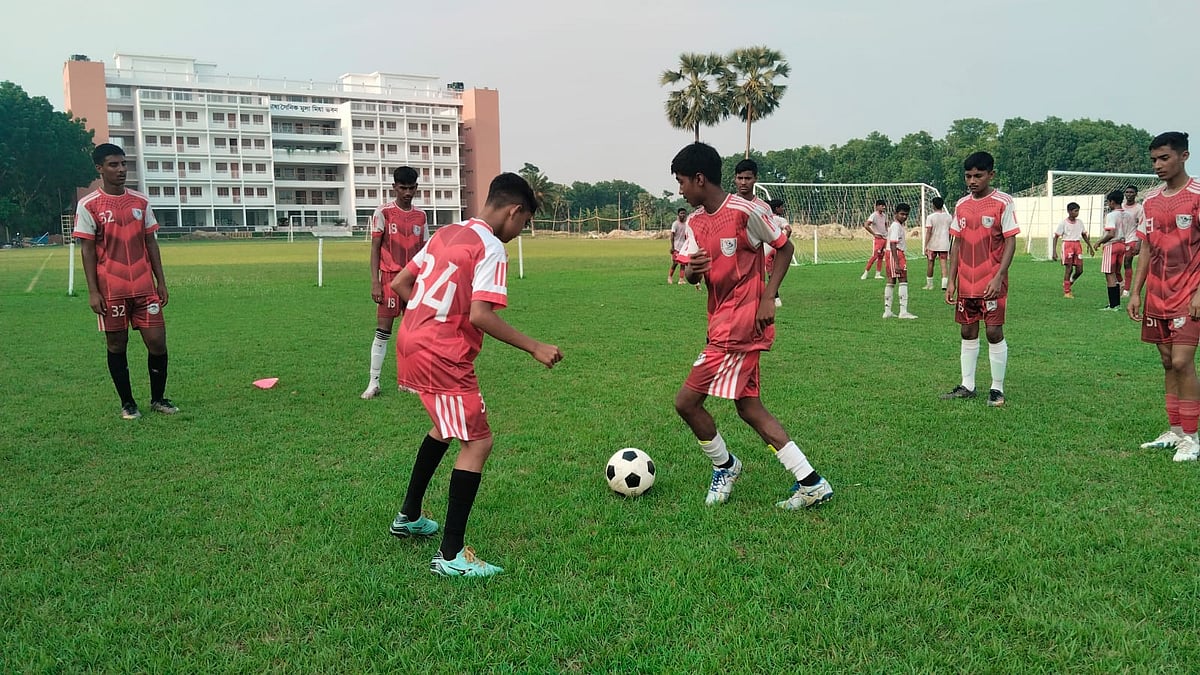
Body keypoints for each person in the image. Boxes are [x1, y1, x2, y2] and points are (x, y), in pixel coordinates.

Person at [387, 172, 563, 577]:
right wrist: (535, 346)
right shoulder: (490, 247)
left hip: (411, 342)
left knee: (444, 428)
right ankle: (451, 556)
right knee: (478, 443)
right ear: (514, 211)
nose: (519, 233)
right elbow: (481, 315)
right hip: (442, 354)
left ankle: (409, 516)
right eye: (524, 223)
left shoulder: (447, 232)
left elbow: (400, 283)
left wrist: (431, 316)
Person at [671, 142, 833, 510]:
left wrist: (768, 296)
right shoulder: (695, 222)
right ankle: (811, 482)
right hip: (720, 325)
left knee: (686, 402)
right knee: (749, 408)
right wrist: (692, 271)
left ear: (700, 178)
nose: (681, 190)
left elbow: (785, 248)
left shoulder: (746, 212)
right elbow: (692, 274)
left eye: (682, 182)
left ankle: (725, 466)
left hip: (740, 329)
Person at [74, 143, 177, 420]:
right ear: (100, 168)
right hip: (111, 290)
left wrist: (161, 281)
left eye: (123, 164)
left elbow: (151, 243)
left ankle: (158, 399)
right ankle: (128, 403)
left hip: (144, 288)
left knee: (157, 343)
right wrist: (93, 291)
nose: (121, 170)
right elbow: (87, 251)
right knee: (117, 345)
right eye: (113, 165)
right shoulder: (89, 205)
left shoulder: (140, 202)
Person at [1127, 131, 1200, 461]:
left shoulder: (1197, 196)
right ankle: (1175, 430)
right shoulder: (1151, 202)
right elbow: (1145, 248)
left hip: (1188, 293)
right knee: (1168, 362)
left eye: (1164, 158)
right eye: (1154, 159)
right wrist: (1135, 292)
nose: (1158, 165)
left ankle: (1192, 438)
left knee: (1183, 362)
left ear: (1184, 156)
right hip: (1157, 295)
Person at [940, 151, 1019, 408]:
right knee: (967, 330)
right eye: (968, 176)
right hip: (966, 283)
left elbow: (1010, 241)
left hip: (992, 282)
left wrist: (999, 276)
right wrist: (951, 280)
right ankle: (968, 385)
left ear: (991, 175)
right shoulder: (961, 205)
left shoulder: (1003, 202)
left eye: (978, 176)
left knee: (994, 332)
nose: (972, 181)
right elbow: (956, 243)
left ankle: (997, 388)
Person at [361, 167, 428, 400]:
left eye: (411, 188)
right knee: (383, 331)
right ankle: (373, 382)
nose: (407, 193)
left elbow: (426, 250)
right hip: (389, 278)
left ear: (416, 188)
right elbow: (375, 249)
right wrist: (375, 282)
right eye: (402, 188)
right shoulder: (383, 213)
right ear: (394, 187)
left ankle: (407, 382)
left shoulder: (421, 216)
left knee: (413, 333)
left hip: (414, 281)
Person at [882, 203, 917, 319]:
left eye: (906, 215)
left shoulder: (898, 226)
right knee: (903, 280)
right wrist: (897, 263)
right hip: (895, 253)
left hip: (893, 254)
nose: (904, 217)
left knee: (891, 281)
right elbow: (893, 243)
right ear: (895, 214)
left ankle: (888, 311)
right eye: (902, 214)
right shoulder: (896, 226)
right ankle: (903, 312)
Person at [1094, 189, 1127, 311]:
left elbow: (1111, 233)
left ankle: (1113, 305)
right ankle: (1116, 303)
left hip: (1112, 245)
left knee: (1109, 274)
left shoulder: (1111, 215)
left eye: (1108, 202)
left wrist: (1099, 242)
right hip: (1122, 245)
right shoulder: (1127, 214)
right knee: (1116, 272)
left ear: (1112, 202)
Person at [1051, 202, 1093, 298]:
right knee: (1069, 269)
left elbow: (1084, 235)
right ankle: (1067, 292)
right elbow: (1056, 237)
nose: (1077, 213)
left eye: (1078, 211)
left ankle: (1069, 282)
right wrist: (1054, 251)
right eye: (1075, 211)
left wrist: (1090, 247)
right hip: (1067, 245)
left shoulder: (1080, 222)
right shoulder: (1063, 223)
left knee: (1080, 270)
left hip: (1077, 245)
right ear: (1069, 211)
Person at [766, 198, 793, 307]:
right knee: (776, 273)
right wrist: (784, 241)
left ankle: (774, 297)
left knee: (767, 273)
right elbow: (789, 229)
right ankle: (775, 298)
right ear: (776, 208)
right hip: (778, 249)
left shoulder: (765, 218)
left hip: (766, 249)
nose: (783, 209)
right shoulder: (780, 219)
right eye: (781, 207)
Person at [923, 196, 952, 290]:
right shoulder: (949, 217)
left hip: (933, 243)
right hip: (944, 243)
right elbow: (950, 232)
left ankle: (929, 285)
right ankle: (944, 285)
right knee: (944, 264)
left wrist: (926, 245)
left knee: (930, 263)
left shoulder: (930, 217)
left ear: (933, 205)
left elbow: (929, 232)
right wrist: (948, 241)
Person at [1122, 184, 1143, 297]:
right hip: (1120, 239)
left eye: (1131, 192)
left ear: (1136, 194)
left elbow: (1141, 225)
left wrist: (1139, 242)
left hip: (1132, 238)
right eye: (1127, 192)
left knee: (1127, 262)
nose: (1129, 194)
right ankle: (1121, 284)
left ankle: (1126, 290)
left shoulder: (1139, 208)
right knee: (1115, 265)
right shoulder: (1121, 206)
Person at [860, 199, 888, 280]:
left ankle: (878, 274)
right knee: (875, 256)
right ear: (877, 206)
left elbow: (886, 224)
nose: (884, 207)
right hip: (878, 239)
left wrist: (887, 233)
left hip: (884, 238)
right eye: (882, 206)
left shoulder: (884, 215)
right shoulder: (873, 215)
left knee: (881, 256)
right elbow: (866, 225)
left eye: (884, 206)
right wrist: (874, 234)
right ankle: (865, 273)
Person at [668, 207, 690, 284]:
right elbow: (672, 236)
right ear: (678, 214)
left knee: (683, 263)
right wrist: (672, 247)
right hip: (676, 247)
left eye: (684, 213)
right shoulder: (675, 224)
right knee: (675, 263)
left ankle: (681, 279)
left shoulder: (687, 224)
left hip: (683, 248)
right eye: (681, 213)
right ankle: (670, 277)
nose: (683, 215)